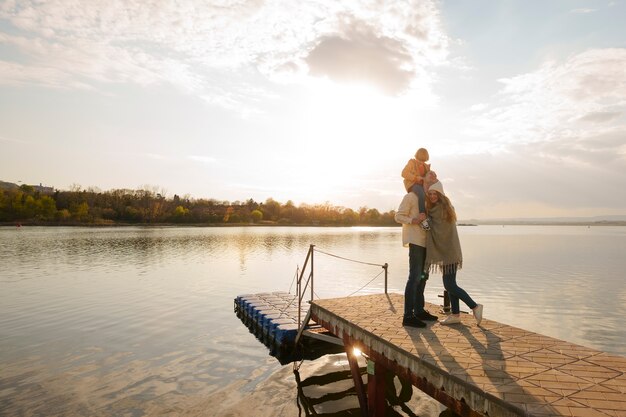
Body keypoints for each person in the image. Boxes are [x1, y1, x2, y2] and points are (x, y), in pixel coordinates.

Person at [424, 181, 483, 325]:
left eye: (435, 194)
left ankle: (474, 306)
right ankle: (456, 315)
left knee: (450, 285)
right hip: (449, 252)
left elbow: (438, 230)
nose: (432, 196)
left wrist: (425, 223)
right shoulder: (444, 208)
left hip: (449, 253)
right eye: (430, 194)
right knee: (451, 284)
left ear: (440, 194)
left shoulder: (442, 210)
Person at [395, 189, 439, 328]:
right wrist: (413, 220)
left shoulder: (428, 198)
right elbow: (398, 216)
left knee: (424, 277)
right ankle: (408, 316)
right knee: (414, 277)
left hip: (427, 243)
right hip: (416, 242)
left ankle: (419, 311)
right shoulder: (411, 196)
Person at [401, 148, 437, 231]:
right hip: (413, 184)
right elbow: (404, 173)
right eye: (420, 160)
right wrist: (416, 178)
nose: (422, 162)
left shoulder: (426, 166)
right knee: (421, 194)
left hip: (423, 185)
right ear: (418, 156)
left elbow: (429, 177)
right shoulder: (411, 162)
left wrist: (433, 176)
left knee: (433, 194)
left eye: (423, 160)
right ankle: (422, 218)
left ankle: (432, 216)